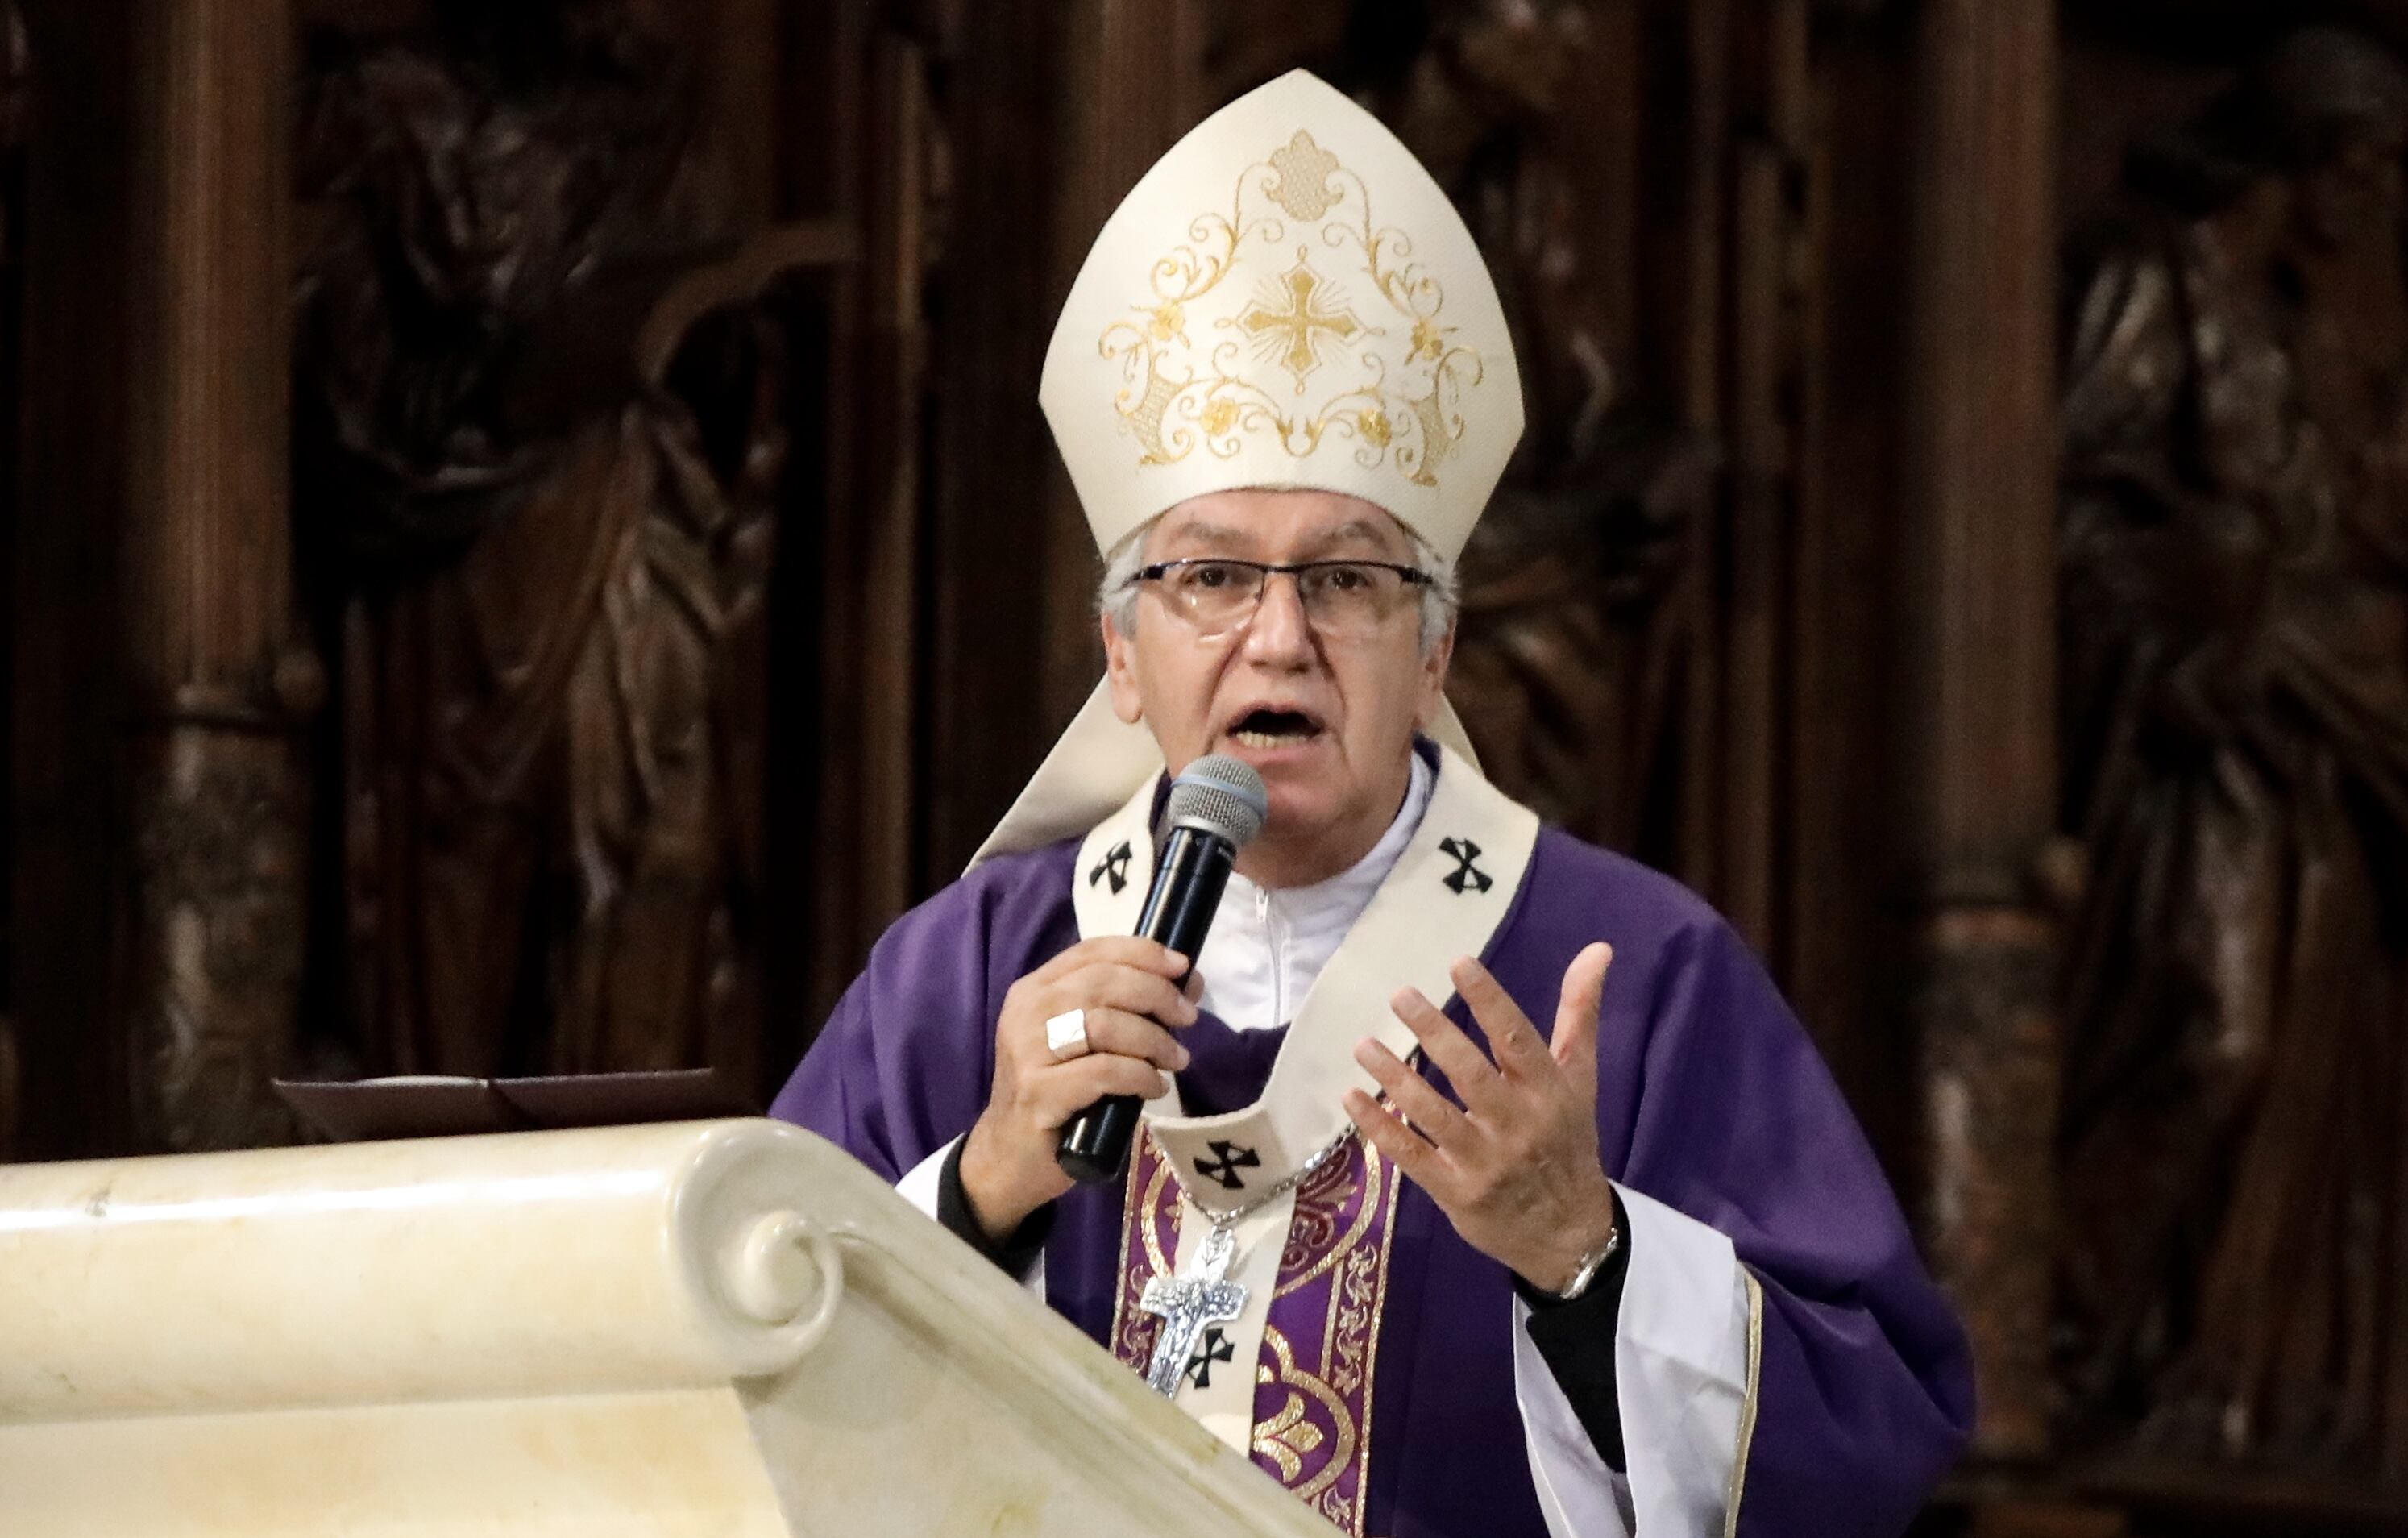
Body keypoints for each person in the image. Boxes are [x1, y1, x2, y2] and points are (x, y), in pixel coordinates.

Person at [773, 70, 1971, 1536]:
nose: (1278, 639)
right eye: (1211, 576)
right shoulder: (961, 983)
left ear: (1437, 649)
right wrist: (981, 1189)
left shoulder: (1628, 974)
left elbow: (1870, 1433)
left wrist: (1588, 1258)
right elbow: (742, 1353)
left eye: (1346, 579)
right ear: (1121, 657)